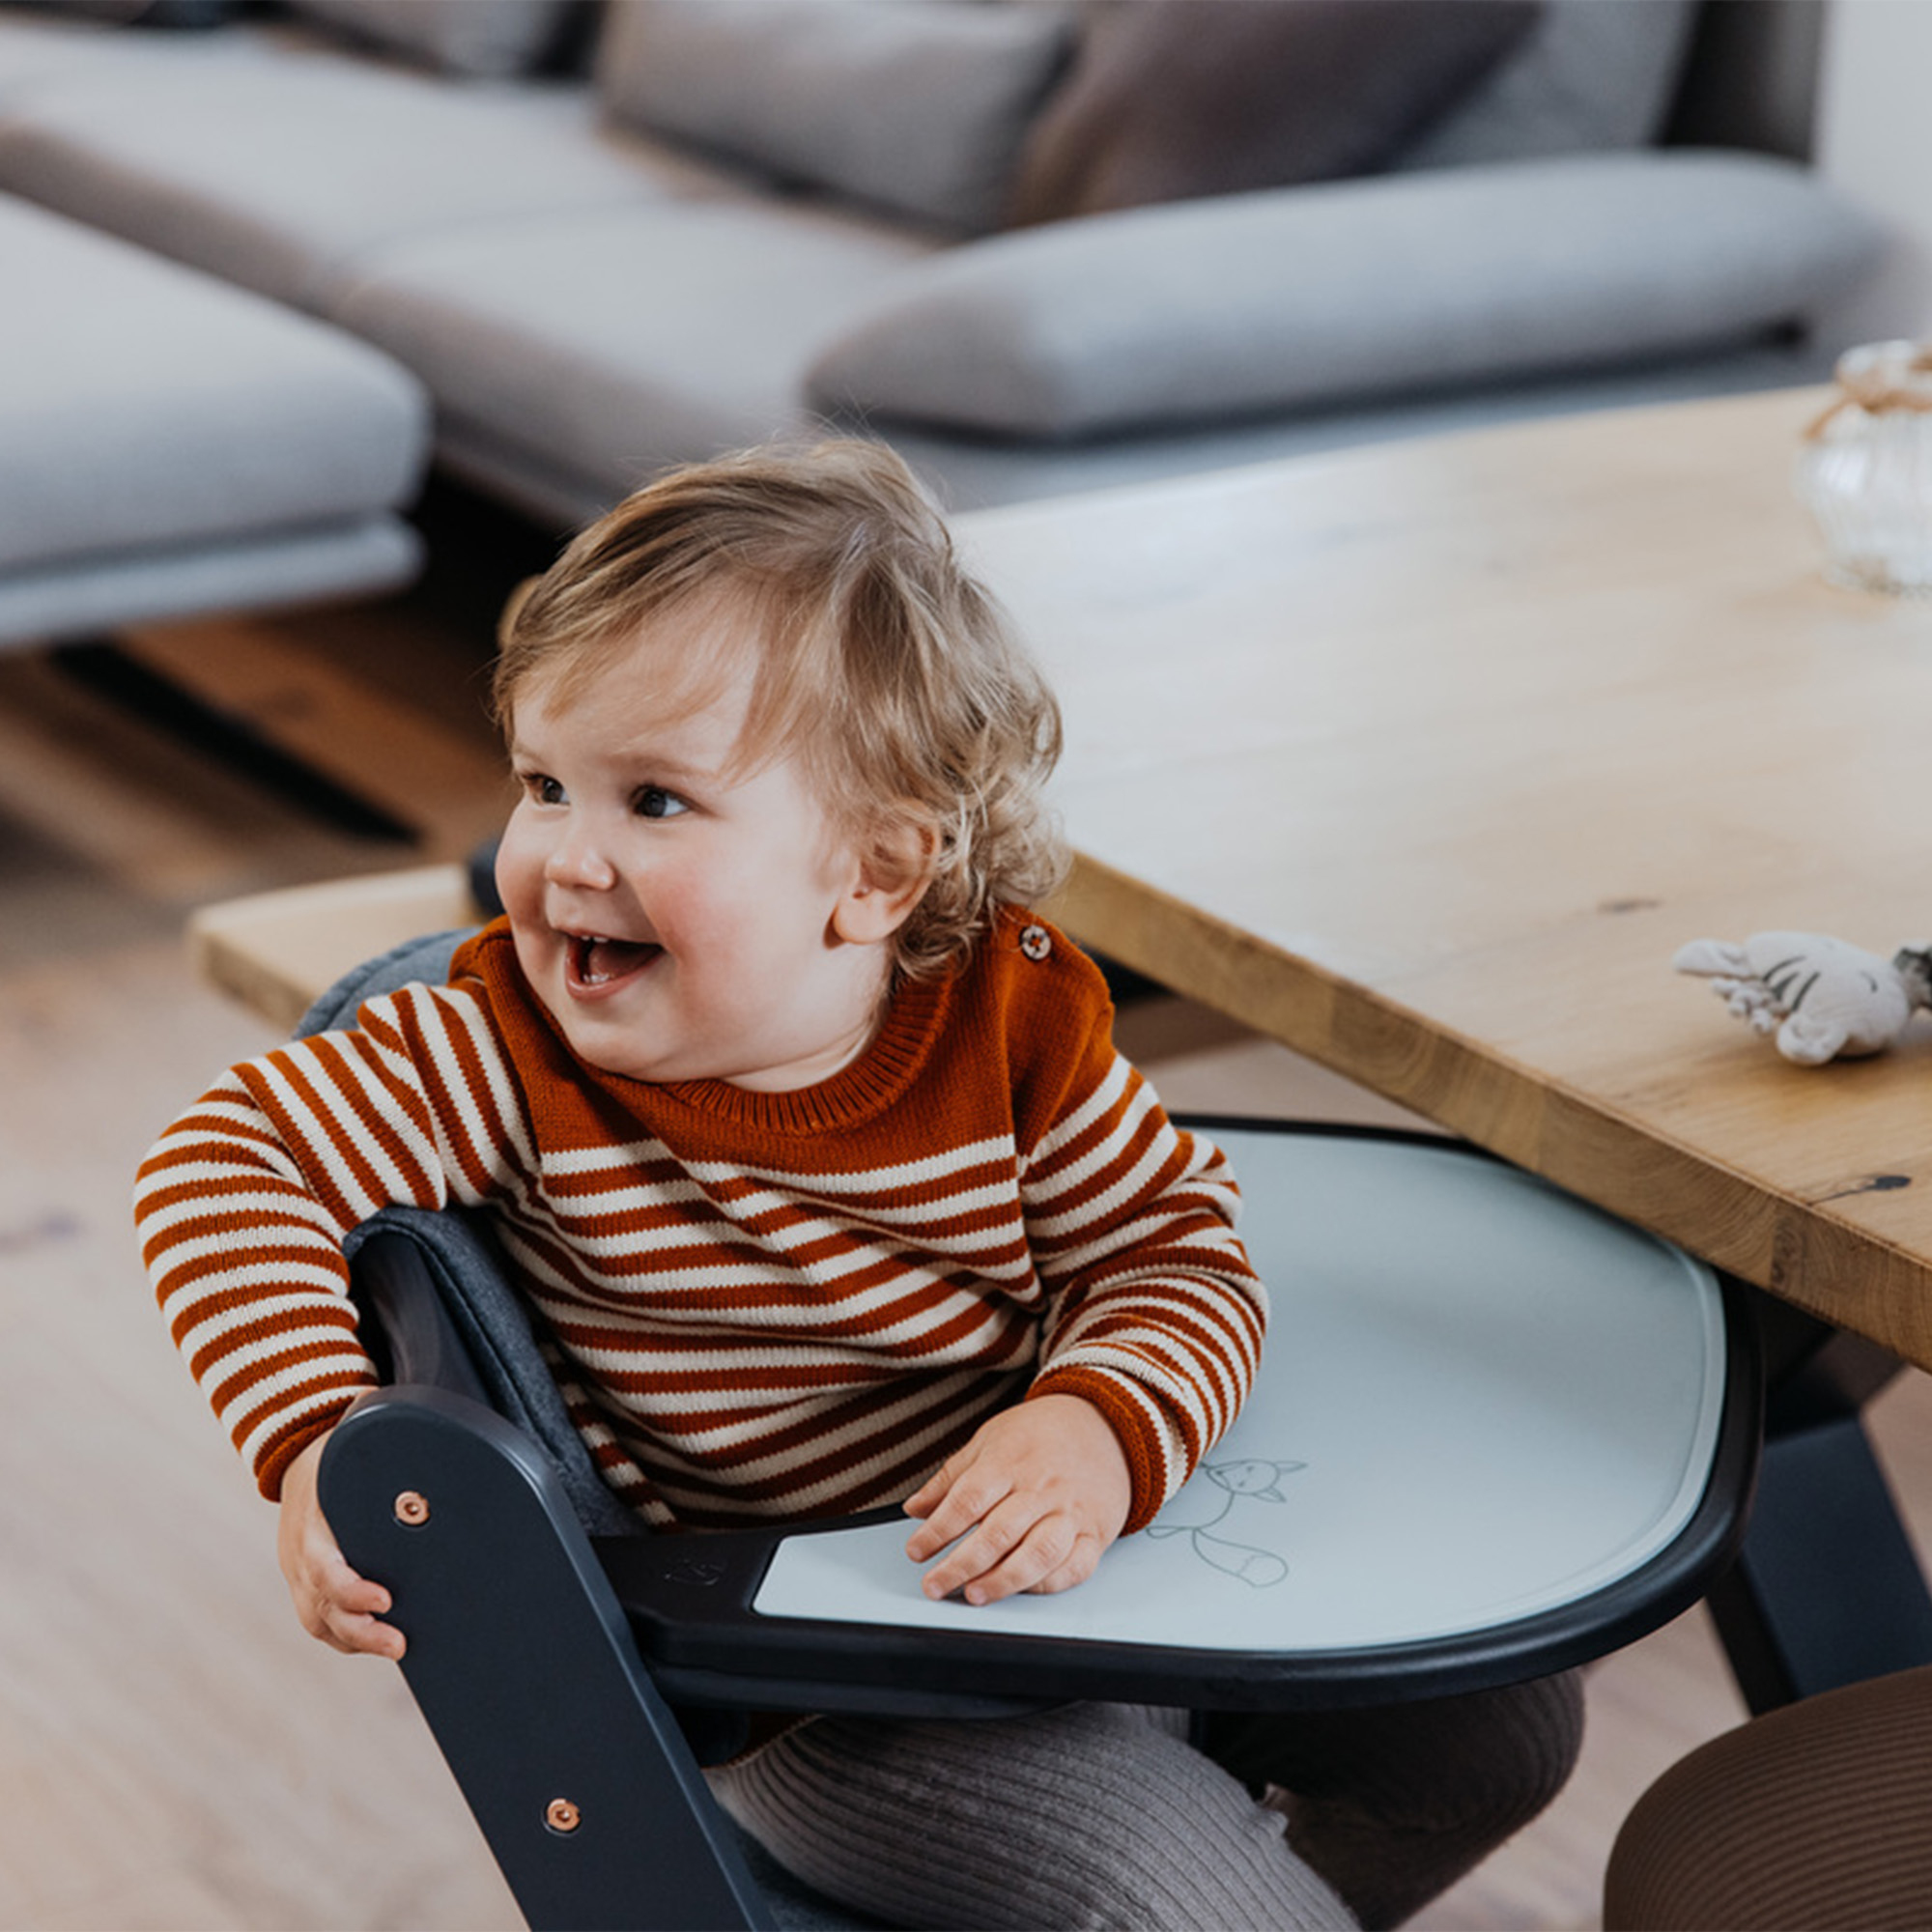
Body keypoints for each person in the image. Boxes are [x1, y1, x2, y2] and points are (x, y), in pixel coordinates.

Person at [135, 440, 1579, 1930]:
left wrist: (1092, 1425)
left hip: (1082, 1594)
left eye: (656, 802)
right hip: (833, 1700)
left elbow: (1175, 1255)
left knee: (1503, 1741)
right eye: (545, 781)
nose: (564, 854)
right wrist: (316, 1435)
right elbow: (217, 1165)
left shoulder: (1009, 1023)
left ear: (877, 876)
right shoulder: (500, 1049)